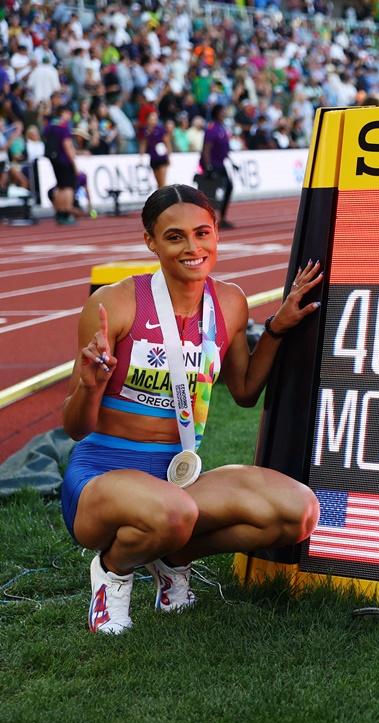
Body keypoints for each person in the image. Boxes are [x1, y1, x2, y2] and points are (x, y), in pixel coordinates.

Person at [61, 184, 322, 634]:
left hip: (180, 476)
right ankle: (113, 572)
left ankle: (171, 558)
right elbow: (75, 427)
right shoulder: (114, 303)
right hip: (102, 477)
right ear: (151, 242)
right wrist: (90, 385)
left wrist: (276, 329)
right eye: (175, 236)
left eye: (203, 233)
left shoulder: (231, 303)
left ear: (216, 233)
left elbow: (243, 390)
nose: (192, 247)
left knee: (296, 512)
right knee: (174, 513)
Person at [199, 104, 234, 228]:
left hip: (221, 164)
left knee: (229, 187)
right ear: (216, 113)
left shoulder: (221, 128)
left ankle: (222, 217)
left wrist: (232, 162)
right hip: (214, 165)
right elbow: (206, 149)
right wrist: (208, 166)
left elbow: (224, 149)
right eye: (222, 112)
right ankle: (208, 220)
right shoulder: (212, 129)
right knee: (211, 193)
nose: (224, 114)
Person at [44, 105, 78, 226]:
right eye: (68, 113)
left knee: (59, 186)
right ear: (63, 113)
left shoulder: (51, 125)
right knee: (68, 187)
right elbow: (67, 146)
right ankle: (66, 213)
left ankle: (58, 213)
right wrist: (74, 163)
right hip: (64, 160)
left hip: (54, 160)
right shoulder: (64, 127)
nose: (69, 116)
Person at [140, 110, 171, 188]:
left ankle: (164, 198)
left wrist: (169, 156)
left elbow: (167, 142)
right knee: (158, 182)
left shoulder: (160, 129)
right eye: (151, 119)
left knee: (162, 182)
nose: (153, 121)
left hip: (162, 158)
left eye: (155, 119)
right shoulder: (145, 131)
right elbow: (144, 143)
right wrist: (141, 156)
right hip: (153, 158)